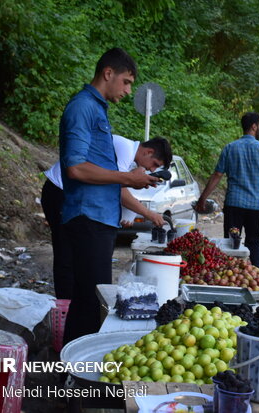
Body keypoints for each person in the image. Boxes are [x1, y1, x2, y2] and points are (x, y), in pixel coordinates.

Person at [59, 48, 160, 344]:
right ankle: (79, 376)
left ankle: (73, 373)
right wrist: (128, 177)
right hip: (87, 215)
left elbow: (100, 171)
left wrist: (130, 184)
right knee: (92, 303)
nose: (128, 91)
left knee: (88, 301)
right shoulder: (82, 108)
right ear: (108, 74)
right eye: (126, 82)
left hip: (100, 217)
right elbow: (76, 168)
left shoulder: (96, 108)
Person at [41, 135, 172, 299]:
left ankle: (72, 300)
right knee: (65, 253)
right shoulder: (125, 149)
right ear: (148, 152)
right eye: (154, 164)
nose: (152, 170)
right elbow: (119, 188)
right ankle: (65, 304)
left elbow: (114, 185)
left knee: (73, 254)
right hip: (60, 190)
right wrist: (149, 214)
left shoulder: (130, 157)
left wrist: (130, 212)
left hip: (71, 193)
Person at [195, 112, 259, 268]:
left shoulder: (230, 148)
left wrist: (203, 198)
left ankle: (231, 273)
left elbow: (217, 175)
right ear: (253, 126)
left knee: (231, 241)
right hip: (256, 206)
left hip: (234, 204)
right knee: (254, 241)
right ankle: (255, 274)